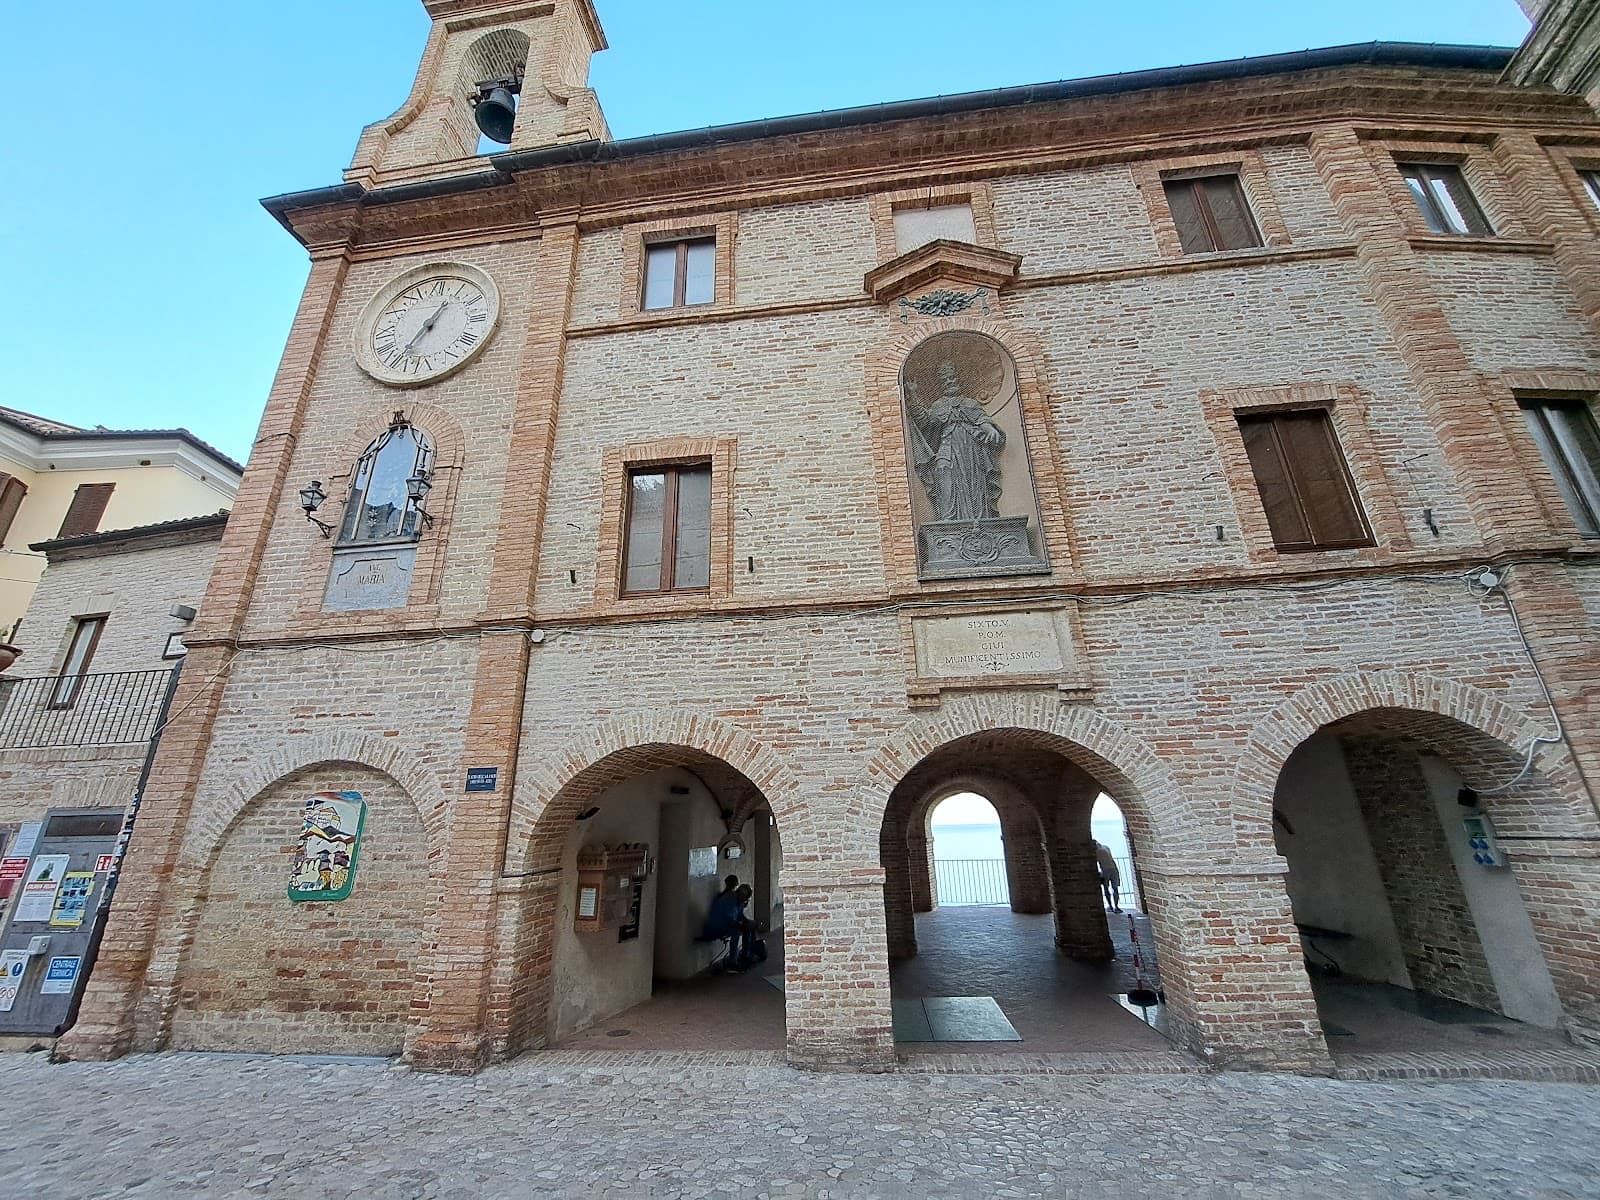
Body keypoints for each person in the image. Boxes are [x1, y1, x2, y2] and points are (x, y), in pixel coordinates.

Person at [702, 880, 755, 969]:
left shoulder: (740, 901)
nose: (744, 901)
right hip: (717, 926)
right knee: (736, 931)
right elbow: (729, 920)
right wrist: (743, 925)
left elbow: (740, 916)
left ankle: (746, 955)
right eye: (744, 898)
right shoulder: (728, 899)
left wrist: (749, 922)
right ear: (740, 894)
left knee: (748, 928)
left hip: (726, 924)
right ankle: (732, 962)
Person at [1094, 840, 1122, 913]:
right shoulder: (1106, 847)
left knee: (1106, 888)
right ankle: (1116, 907)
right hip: (1114, 869)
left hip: (1105, 870)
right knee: (1115, 888)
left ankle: (1110, 906)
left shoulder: (1096, 852)